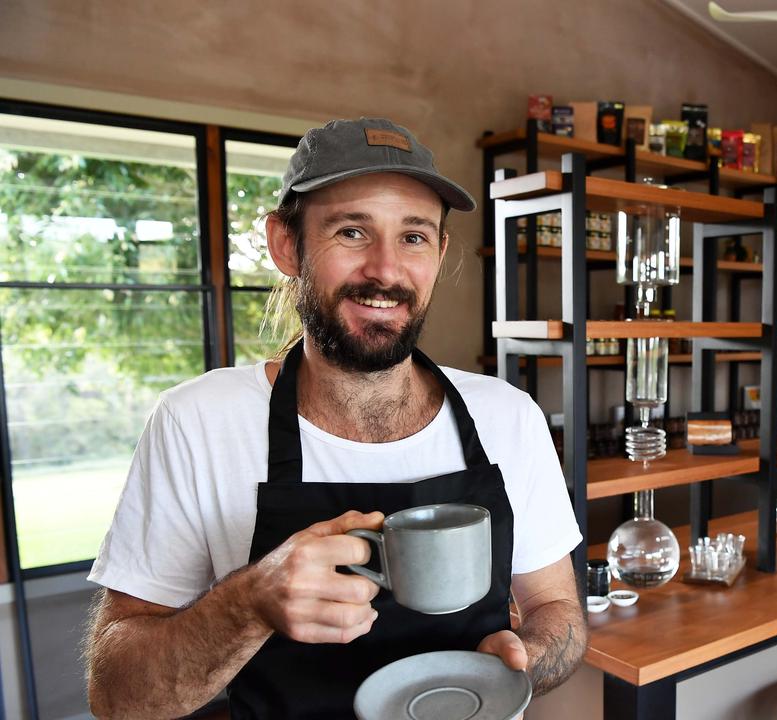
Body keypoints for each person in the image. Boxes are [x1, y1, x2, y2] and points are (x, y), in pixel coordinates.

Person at [82, 118, 586, 718]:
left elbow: (559, 613)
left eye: (414, 237)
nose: (386, 270)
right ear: (286, 245)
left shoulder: (508, 417)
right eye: (352, 231)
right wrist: (247, 605)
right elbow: (116, 697)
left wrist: (523, 656)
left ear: (440, 252)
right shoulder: (198, 422)